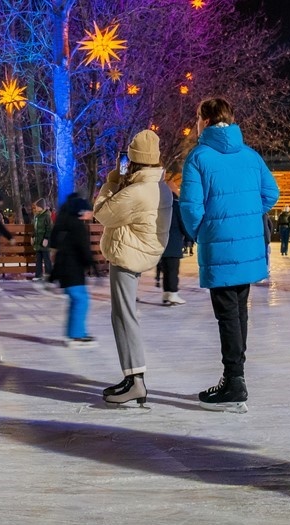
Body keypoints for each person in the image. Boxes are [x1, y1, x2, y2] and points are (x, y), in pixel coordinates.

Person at [180, 97, 279, 413]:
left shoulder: (199, 157)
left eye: (198, 118)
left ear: (206, 121)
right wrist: (247, 216)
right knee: (239, 312)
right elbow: (271, 193)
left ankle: (234, 382)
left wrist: (203, 232)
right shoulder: (250, 156)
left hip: (219, 245)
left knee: (227, 315)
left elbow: (191, 207)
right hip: (247, 247)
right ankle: (236, 376)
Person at [94, 129, 172, 406]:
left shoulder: (138, 191)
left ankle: (136, 381)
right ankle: (132, 377)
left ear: (135, 160)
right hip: (138, 250)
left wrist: (114, 179)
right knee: (123, 315)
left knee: (124, 316)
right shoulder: (160, 187)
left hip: (128, 254)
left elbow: (102, 212)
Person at [49, 194, 98, 348]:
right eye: (89, 211)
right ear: (82, 211)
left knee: (77, 301)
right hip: (72, 270)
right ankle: (76, 336)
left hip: (68, 270)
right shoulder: (77, 226)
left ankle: (75, 333)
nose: (91, 214)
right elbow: (84, 250)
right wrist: (94, 268)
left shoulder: (67, 224)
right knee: (81, 301)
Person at [161, 187, 191, 305]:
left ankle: (166, 294)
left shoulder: (160, 207)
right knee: (173, 271)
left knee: (166, 271)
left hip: (162, 243)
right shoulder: (176, 206)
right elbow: (183, 224)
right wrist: (189, 237)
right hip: (173, 243)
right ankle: (173, 294)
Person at [31, 199, 54, 282]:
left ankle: (49, 275)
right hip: (38, 241)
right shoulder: (36, 216)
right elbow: (35, 228)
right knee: (38, 259)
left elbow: (49, 228)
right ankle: (38, 275)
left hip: (44, 241)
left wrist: (46, 238)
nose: (36, 208)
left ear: (41, 207)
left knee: (46, 259)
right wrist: (33, 236)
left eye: (37, 206)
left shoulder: (47, 216)